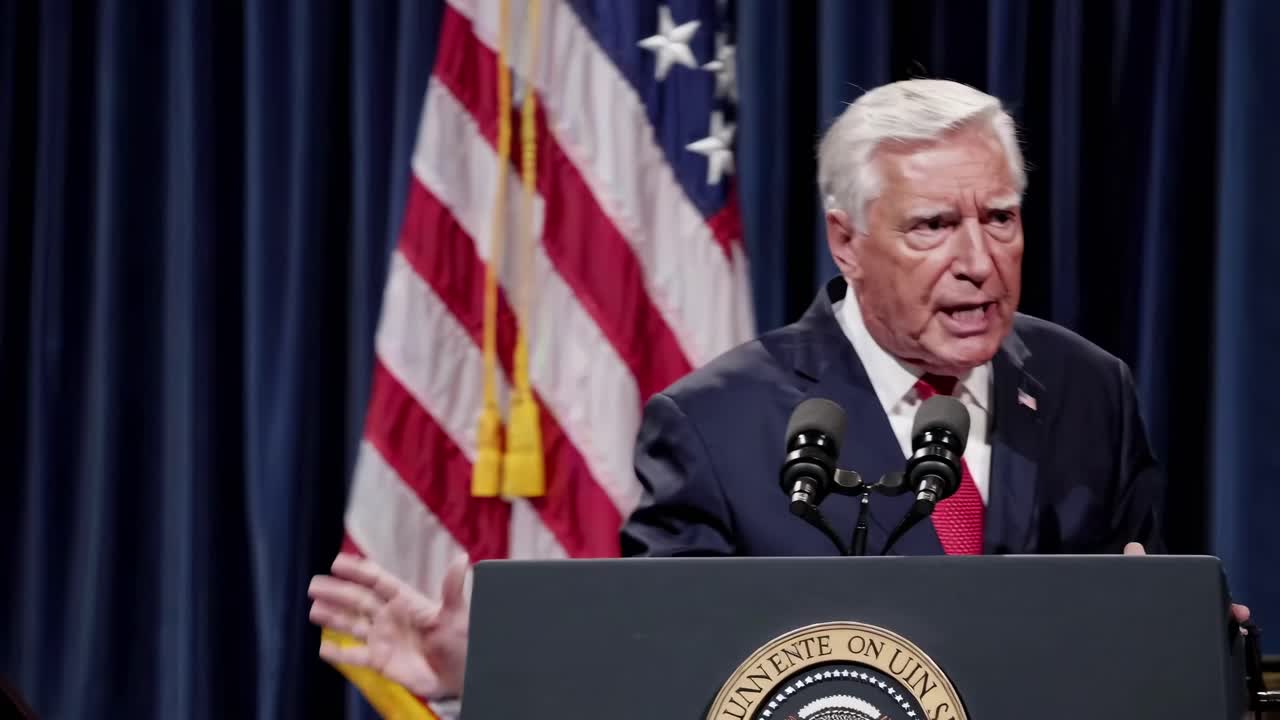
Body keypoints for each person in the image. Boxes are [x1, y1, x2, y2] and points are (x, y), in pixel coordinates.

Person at [307, 79, 1249, 703]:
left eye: (999, 218)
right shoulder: (716, 424)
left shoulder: (1090, 389)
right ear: (846, 241)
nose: (978, 261)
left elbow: (1132, 615)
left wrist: (1183, 645)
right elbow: (664, 674)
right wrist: (497, 673)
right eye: (931, 227)